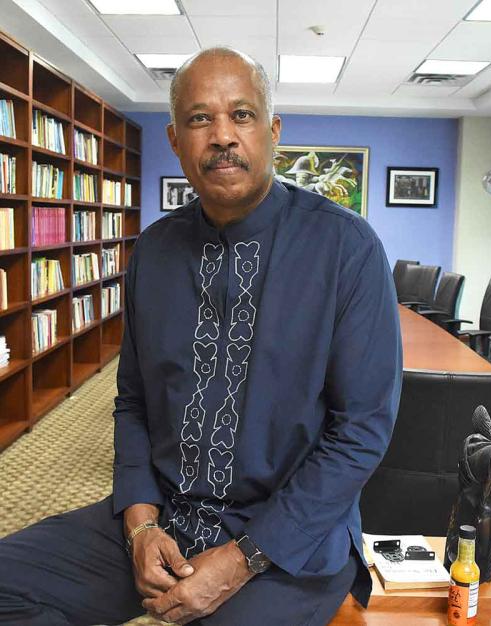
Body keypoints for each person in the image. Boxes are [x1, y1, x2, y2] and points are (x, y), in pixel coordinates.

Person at [0, 47, 402, 626]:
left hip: (287, 538)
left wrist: (243, 559)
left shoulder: (346, 249)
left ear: (273, 131)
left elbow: (361, 433)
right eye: (199, 118)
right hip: (163, 515)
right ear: (174, 139)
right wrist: (139, 524)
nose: (222, 136)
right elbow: (133, 401)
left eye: (241, 115)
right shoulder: (153, 252)